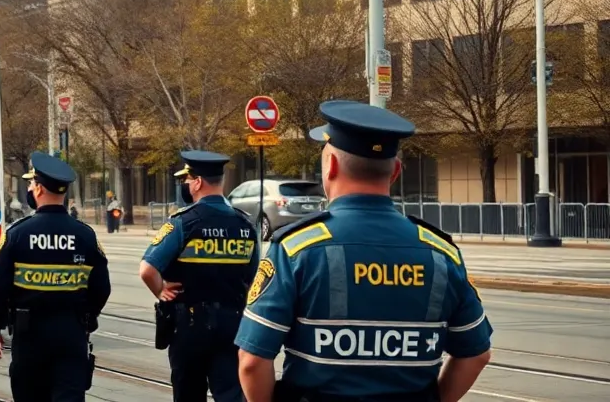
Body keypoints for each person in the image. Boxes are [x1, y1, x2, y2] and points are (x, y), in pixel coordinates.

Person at [236, 100, 493, 402]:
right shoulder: (441, 253)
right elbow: (476, 354)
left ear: (330, 165)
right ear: (395, 171)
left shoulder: (296, 248)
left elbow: (252, 362)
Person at [0, 151, 111, 401]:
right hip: (72, 335)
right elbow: (102, 288)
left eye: (31, 184)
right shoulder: (86, 236)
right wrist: (86, 317)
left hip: (29, 337)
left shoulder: (16, 235)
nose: (30, 189)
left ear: (39, 189)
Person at [139, 150, 257, 402]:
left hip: (189, 327)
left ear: (198, 182)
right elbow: (254, 280)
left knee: (189, 393)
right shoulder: (245, 225)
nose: (185, 185)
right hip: (232, 325)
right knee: (231, 393)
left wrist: (161, 290)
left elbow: (147, 270)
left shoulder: (183, 223)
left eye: (187, 179)